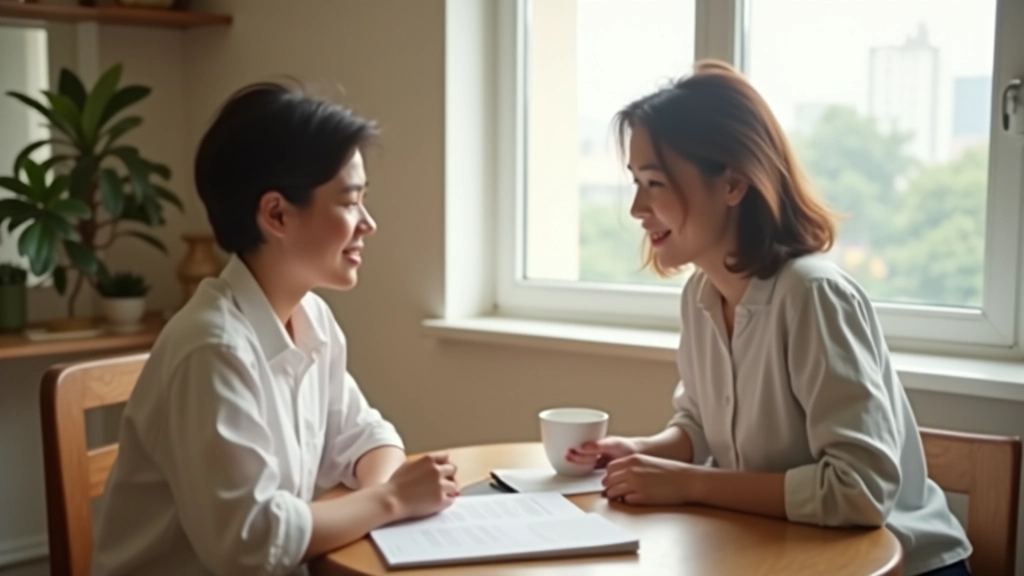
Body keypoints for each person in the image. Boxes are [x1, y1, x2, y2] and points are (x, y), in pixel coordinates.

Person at [567, 60, 973, 576]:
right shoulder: (702, 295)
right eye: (635, 183)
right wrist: (644, 451)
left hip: (897, 566)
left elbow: (859, 491)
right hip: (787, 555)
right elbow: (702, 424)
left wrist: (687, 482)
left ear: (733, 184)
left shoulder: (813, 296)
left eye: (655, 182)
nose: (637, 209)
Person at [92, 82, 459, 576]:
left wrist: (379, 493)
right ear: (277, 214)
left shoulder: (312, 319)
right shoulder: (213, 348)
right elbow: (251, 545)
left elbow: (369, 436)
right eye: (349, 202)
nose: (367, 223)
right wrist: (391, 500)